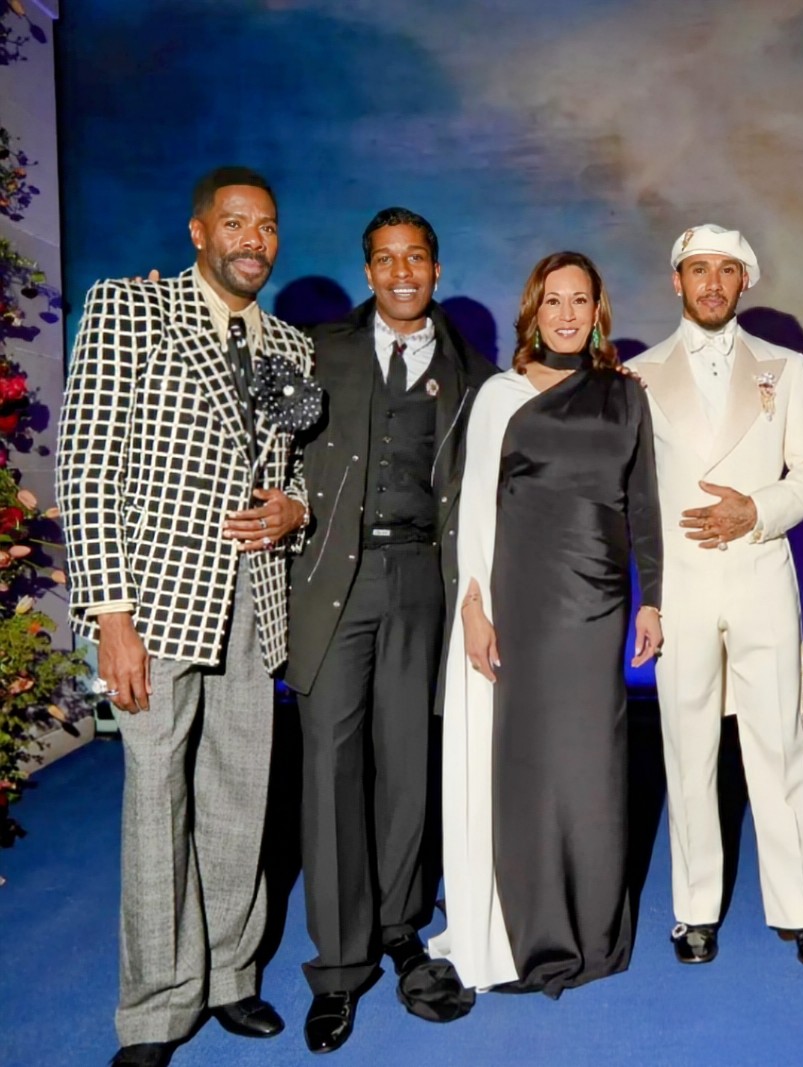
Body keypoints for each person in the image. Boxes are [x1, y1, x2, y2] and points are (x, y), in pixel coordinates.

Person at [57, 166, 316, 1067]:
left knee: (242, 794)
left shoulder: (290, 343)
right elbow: (85, 466)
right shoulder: (131, 306)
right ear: (200, 231)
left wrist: (295, 506)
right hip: (154, 606)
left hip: (256, 601)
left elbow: (300, 470)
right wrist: (109, 615)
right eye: (236, 223)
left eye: (268, 226)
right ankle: (157, 1005)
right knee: (155, 802)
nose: (254, 239)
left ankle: (231, 976)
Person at [284, 207, 496, 1053]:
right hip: (332, 581)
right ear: (367, 271)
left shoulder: (471, 372)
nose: (401, 272)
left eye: (416, 258)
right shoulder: (316, 350)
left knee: (407, 762)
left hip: (422, 584)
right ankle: (339, 967)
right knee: (332, 766)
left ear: (437, 270)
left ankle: (404, 926)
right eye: (384, 259)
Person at [428, 251, 663, 997]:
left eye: (580, 300)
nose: (566, 314)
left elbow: (645, 502)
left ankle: (593, 927)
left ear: (599, 311)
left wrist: (652, 596)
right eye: (552, 301)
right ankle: (531, 926)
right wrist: (472, 607)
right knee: (526, 768)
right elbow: (471, 510)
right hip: (520, 604)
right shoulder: (500, 396)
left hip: (598, 607)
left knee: (593, 766)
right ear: (533, 311)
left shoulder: (626, 397)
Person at [627, 224, 803, 974]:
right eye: (698, 269)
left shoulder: (784, 369)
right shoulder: (639, 374)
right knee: (688, 748)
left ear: (745, 282)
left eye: (727, 270)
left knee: (782, 743)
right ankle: (694, 910)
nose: (712, 283)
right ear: (677, 281)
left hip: (761, 575)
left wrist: (756, 510)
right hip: (683, 584)